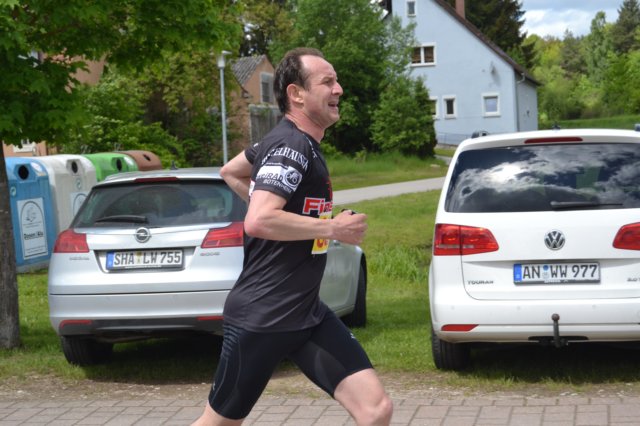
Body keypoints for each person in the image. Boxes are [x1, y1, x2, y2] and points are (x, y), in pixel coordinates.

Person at [192, 47, 393, 426]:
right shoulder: (291, 146)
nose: (339, 89)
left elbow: (230, 172)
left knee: (375, 409)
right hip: (262, 317)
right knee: (217, 424)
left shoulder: (289, 142)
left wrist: (292, 216)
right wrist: (331, 228)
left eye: (337, 81)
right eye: (327, 82)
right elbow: (259, 220)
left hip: (305, 313)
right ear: (296, 94)